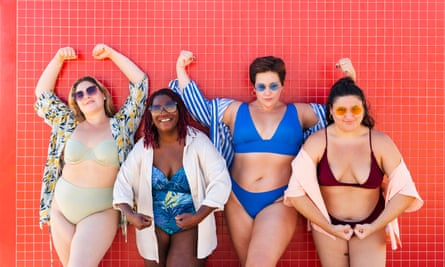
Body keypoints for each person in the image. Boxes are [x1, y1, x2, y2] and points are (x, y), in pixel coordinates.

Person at [169, 50, 356, 266]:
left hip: (278, 200)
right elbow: (199, 109)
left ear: (282, 85)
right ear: (253, 87)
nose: (267, 92)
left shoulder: (299, 113)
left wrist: (349, 79)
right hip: (237, 199)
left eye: (273, 86)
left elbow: (342, 114)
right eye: (261, 86)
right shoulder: (235, 111)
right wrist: (180, 69)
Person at [284, 77, 423, 267]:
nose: (349, 116)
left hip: (371, 223)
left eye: (355, 109)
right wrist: (330, 228)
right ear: (331, 111)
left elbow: (406, 191)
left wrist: (375, 226)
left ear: (364, 109)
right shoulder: (318, 142)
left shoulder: (380, 142)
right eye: (341, 110)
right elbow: (295, 192)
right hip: (328, 225)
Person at [34, 44, 148, 266]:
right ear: (76, 103)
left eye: (91, 90)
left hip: (100, 210)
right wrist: (58, 59)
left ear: (103, 95)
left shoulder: (121, 125)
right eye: (79, 94)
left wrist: (111, 54)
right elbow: (43, 95)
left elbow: (140, 84)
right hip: (60, 208)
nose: (86, 96)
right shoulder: (68, 124)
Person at [113, 89, 231, 266]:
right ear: (150, 114)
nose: (163, 112)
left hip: (190, 225)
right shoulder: (143, 147)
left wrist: (199, 216)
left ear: (180, 110)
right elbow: (123, 182)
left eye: (169, 106)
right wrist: (130, 214)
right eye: (156, 108)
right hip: (153, 227)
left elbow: (221, 180)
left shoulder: (197, 141)